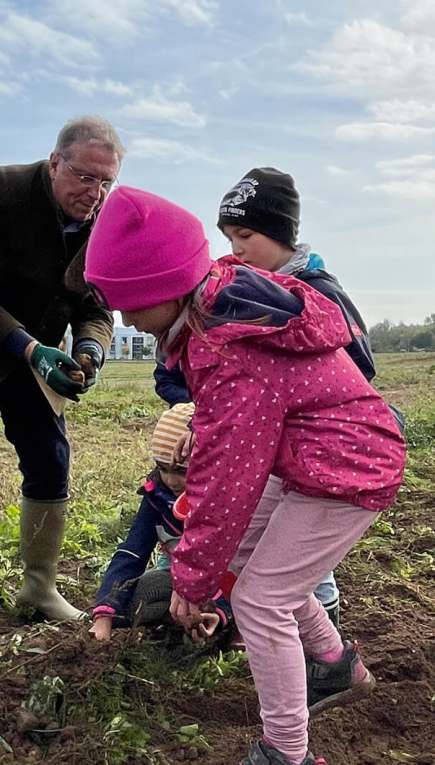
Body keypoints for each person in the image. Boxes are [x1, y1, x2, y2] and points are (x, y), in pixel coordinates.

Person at [84, 186, 406, 765]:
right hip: (312, 456)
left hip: (348, 467)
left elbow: (228, 475)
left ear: (163, 286)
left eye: (128, 302)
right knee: (250, 565)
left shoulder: (230, 349)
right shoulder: (218, 312)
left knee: (260, 600)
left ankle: (287, 751)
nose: (124, 316)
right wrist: (203, 570)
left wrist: (191, 581)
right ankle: (334, 667)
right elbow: (226, 449)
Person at [0, 115, 125, 645]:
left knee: (50, 459)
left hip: (42, 355)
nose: (94, 192)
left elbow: (98, 304)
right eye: (84, 176)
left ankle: (39, 588)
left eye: (106, 182)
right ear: (55, 162)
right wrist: (33, 350)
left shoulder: (104, 222)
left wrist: (90, 350)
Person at [156, 166, 381, 629]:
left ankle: (323, 629)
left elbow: (358, 369)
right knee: (273, 546)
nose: (235, 248)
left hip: (321, 449)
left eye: (246, 234)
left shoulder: (316, 292)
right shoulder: (247, 297)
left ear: (283, 235)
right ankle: (299, 639)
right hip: (276, 446)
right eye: (229, 237)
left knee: (299, 559)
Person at [91, 403, 232, 642]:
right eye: (163, 469)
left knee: (246, 600)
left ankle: (229, 625)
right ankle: (179, 622)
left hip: (230, 585)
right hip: (180, 582)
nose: (171, 480)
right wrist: (105, 615)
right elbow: (131, 553)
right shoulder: (157, 497)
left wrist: (219, 609)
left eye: (181, 471)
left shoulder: (229, 501)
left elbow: (240, 571)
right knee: (138, 597)